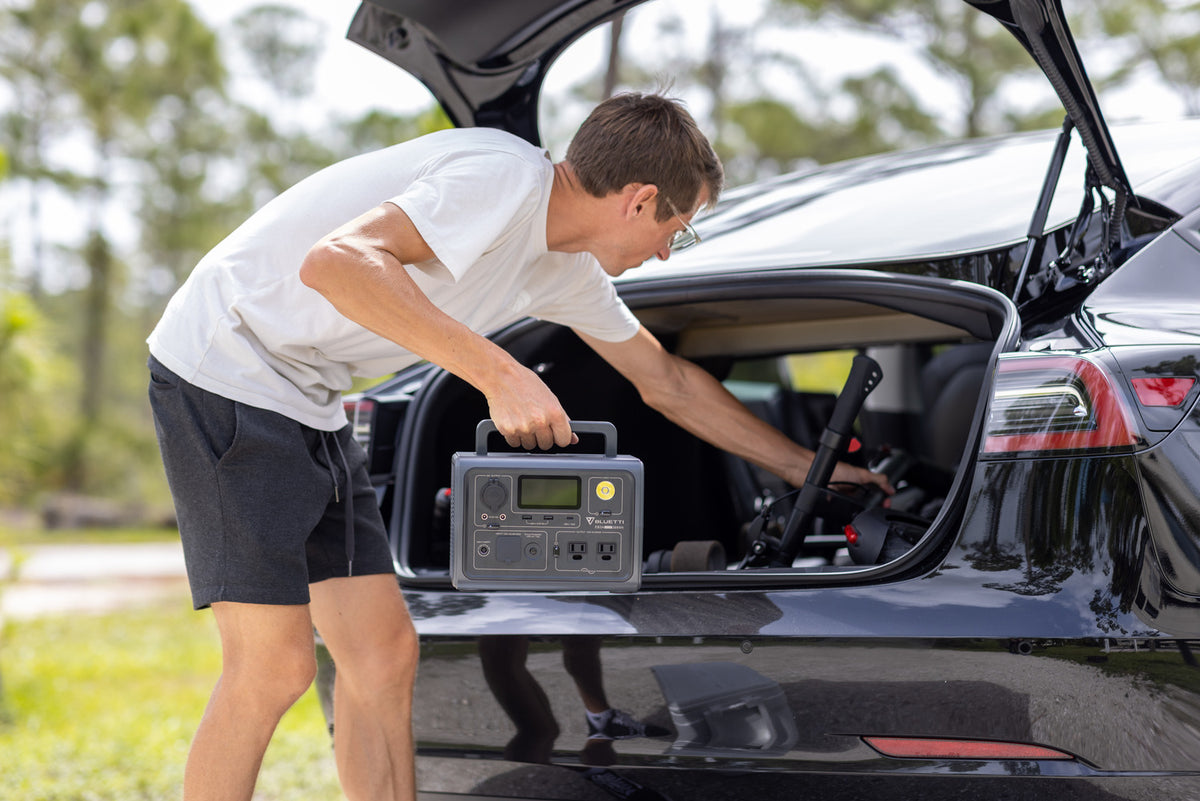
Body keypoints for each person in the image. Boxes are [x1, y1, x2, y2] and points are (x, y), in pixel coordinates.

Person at [146, 91, 889, 801]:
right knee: (272, 667)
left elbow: (667, 382)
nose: (668, 252)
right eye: (677, 228)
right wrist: (498, 372)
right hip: (227, 365)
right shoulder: (501, 176)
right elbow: (336, 262)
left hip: (309, 397)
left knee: (382, 657)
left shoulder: (564, 269)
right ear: (637, 199)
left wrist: (811, 470)